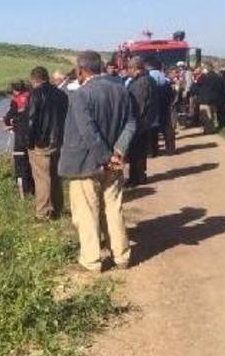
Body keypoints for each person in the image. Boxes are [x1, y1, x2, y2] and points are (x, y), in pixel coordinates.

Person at [59, 51, 135, 272]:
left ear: (81, 70)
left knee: (87, 211)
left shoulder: (81, 95)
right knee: (114, 208)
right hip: (114, 163)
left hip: (87, 162)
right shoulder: (122, 90)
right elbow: (131, 123)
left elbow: (88, 131)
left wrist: (105, 156)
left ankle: (91, 260)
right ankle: (121, 257)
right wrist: (119, 151)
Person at [26, 66, 68, 220]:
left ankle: (43, 212)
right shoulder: (61, 95)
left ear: (33, 79)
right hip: (58, 139)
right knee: (55, 175)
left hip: (41, 142)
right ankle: (57, 208)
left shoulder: (35, 94)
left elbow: (31, 120)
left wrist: (29, 143)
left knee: (42, 177)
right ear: (47, 77)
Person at [126, 56, 159, 186]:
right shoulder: (147, 79)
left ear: (136, 69)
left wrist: (132, 121)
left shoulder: (141, 82)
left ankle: (137, 178)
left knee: (136, 152)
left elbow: (139, 105)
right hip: (145, 123)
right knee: (138, 152)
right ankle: (138, 176)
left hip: (140, 123)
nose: (127, 72)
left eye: (129, 69)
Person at [4, 81, 35, 197]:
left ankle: (24, 192)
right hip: (34, 136)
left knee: (20, 163)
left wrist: (10, 122)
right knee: (32, 163)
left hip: (21, 137)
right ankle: (34, 189)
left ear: (15, 91)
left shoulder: (16, 101)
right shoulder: (32, 96)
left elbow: (8, 118)